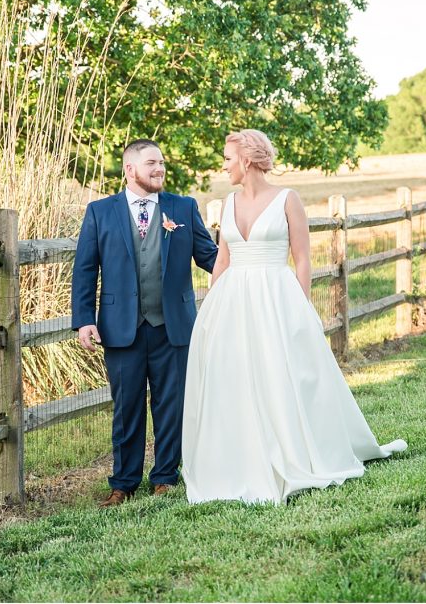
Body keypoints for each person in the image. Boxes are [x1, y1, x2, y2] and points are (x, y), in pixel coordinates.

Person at [182, 129, 407, 505]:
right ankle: (243, 460)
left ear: (247, 160)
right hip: (233, 301)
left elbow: (302, 258)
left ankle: (298, 451)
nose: (223, 165)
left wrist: (300, 308)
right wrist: (209, 311)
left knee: (282, 373)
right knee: (238, 377)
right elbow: (222, 260)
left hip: (276, 296)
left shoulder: (288, 199)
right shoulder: (227, 204)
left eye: (226, 158)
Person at [72, 139, 218, 508]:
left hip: (174, 325)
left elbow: (209, 257)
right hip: (121, 326)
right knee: (127, 408)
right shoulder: (100, 212)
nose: (160, 169)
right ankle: (123, 482)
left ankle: (165, 477)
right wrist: (84, 320)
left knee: (171, 405)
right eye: (152, 163)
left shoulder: (182, 207)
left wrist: (248, 268)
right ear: (130, 169)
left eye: (162, 163)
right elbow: (86, 270)